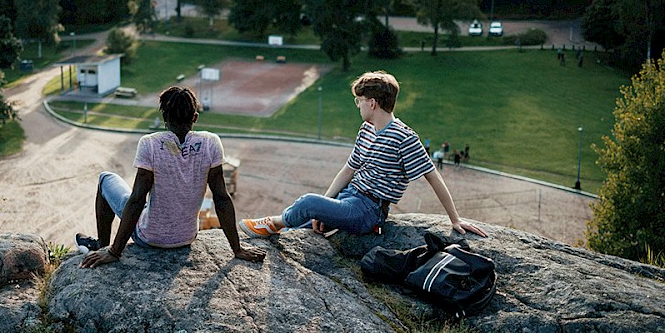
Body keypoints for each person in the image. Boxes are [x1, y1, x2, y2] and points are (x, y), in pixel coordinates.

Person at [239, 71, 487, 239]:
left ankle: (271, 223)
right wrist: (326, 205)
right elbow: (349, 169)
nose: (357, 105)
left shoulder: (404, 137)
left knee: (306, 203)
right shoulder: (366, 129)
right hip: (349, 198)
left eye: (359, 101)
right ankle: (280, 228)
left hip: (369, 211)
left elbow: (433, 177)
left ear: (373, 103)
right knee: (305, 220)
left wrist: (455, 220)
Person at [78, 86, 265, 268]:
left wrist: (114, 252)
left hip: (150, 238)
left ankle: (102, 245)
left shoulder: (149, 144)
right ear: (195, 117)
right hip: (186, 238)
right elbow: (222, 198)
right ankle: (102, 245)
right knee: (143, 204)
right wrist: (237, 249)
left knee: (106, 178)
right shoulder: (211, 143)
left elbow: (136, 200)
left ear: (165, 117)